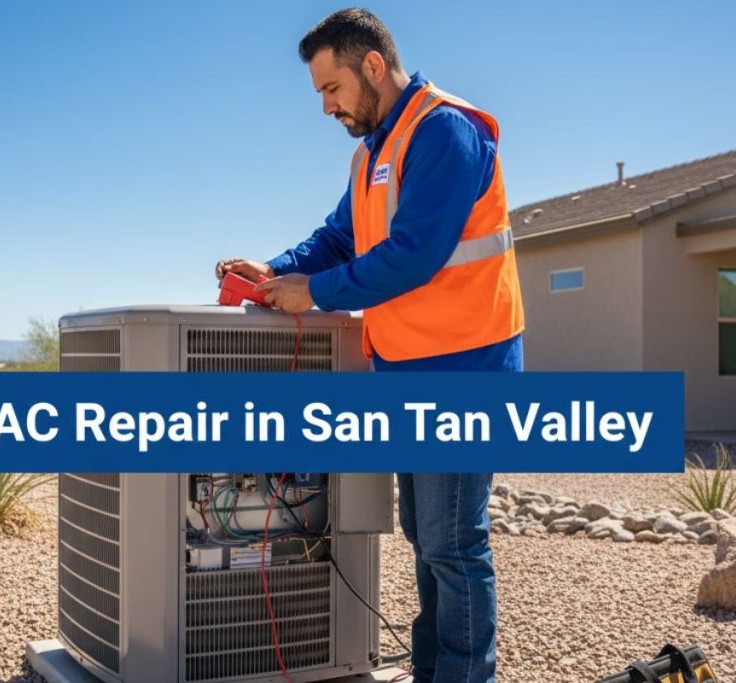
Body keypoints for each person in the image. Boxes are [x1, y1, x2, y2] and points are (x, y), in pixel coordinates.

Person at [214, 8, 524, 683]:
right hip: (408, 371)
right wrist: (273, 272)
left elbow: (414, 255)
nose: (326, 106)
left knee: (455, 544)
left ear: (373, 67)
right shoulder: (373, 153)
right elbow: (336, 238)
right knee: (426, 537)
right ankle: (436, 670)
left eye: (332, 88)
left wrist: (315, 291)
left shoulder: (444, 132)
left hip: (466, 371)